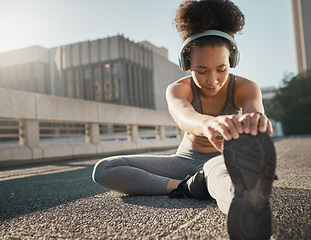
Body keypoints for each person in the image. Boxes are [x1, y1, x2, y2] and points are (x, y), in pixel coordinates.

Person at [92, 0, 277, 239]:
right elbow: (183, 116)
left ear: (232, 61)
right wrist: (208, 123)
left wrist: (256, 122)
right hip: (183, 161)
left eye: (221, 69)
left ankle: (248, 210)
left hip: (220, 158)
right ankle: (185, 187)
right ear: (186, 64)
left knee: (224, 182)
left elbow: (255, 111)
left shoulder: (246, 87)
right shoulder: (178, 89)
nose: (213, 80)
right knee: (104, 169)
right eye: (202, 71)